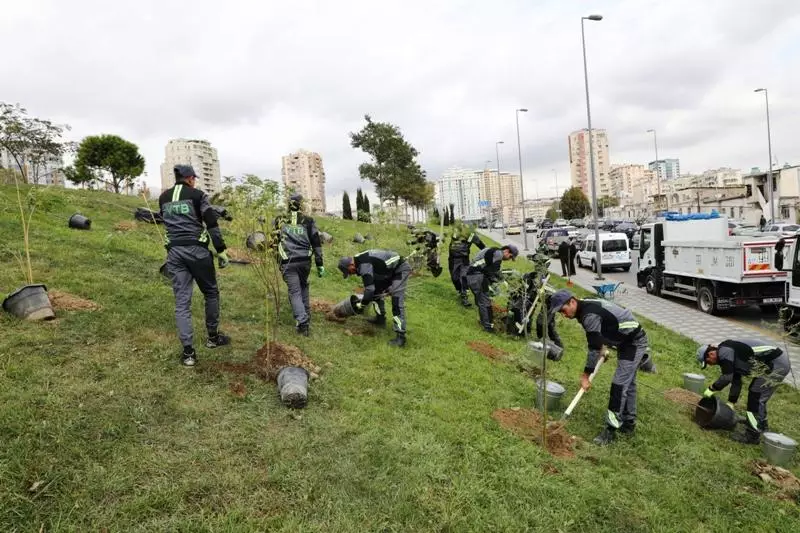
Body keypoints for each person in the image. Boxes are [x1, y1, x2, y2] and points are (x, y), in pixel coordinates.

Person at [549, 289, 657, 445]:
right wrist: (603, 346)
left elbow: (594, 347)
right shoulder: (584, 307)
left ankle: (611, 430)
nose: (563, 315)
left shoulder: (588, 315)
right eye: (560, 312)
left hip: (633, 342)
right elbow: (600, 331)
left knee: (619, 385)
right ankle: (629, 423)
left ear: (572, 301)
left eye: (563, 310)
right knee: (628, 383)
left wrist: (586, 375)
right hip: (624, 339)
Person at [159, 165, 231, 367]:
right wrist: (221, 250)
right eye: (194, 178)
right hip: (198, 252)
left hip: (175, 253)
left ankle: (188, 353)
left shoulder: (163, 198)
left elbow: (166, 223)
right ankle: (213, 337)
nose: (195, 181)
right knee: (211, 292)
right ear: (190, 178)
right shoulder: (198, 196)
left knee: (182, 303)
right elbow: (212, 223)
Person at [696, 340, 791, 444]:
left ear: (711, 353)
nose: (710, 365)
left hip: (777, 363)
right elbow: (736, 380)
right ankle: (761, 425)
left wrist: (712, 388)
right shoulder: (729, 353)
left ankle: (752, 436)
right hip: (776, 362)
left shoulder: (724, 351)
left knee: (755, 397)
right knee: (757, 395)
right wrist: (731, 402)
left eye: (708, 362)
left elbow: (727, 377)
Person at [273, 193, 324, 336]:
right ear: (301, 205)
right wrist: (320, 264)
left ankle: (302, 323)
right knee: (303, 287)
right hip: (305, 262)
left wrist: (278, 260)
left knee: (294, 292)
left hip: (288, 262)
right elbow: (316, 242)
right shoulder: (308, 221)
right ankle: (306, 316)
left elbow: (274, 243)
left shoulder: (280, 220)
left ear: (288, 205)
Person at [338, 250, 411, 347]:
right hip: (386, 271)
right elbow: (371, 289)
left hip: (399, 269)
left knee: (396, 301)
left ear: (351, 264)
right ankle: (380, 319)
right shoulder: (359, 261)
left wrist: (362, 305)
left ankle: (401, 337)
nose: (351, 274)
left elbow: (369, 290)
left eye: (349, 271)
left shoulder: (364, 265)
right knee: (376, 293)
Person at [464, 245, 519, 332]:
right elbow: (494, 272)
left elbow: (488, 269)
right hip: (477, 276)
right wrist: (505, 281)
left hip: (473, 275)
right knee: (485, 302)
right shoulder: (498, 254)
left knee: (482, 300)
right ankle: (488, 327)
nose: (509, 259)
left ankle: (484, 322)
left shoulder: (492, 250)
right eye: (510, 257)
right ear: (507, 251)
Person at [447, 222, 486, 307]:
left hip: (464, 260)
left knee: (464, 277)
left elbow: (482, 246)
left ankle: (464, 296)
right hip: (453, 260)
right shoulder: (456, 232)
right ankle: (459, 290)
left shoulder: (472, 236)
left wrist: (488, 253)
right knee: (455, 278)